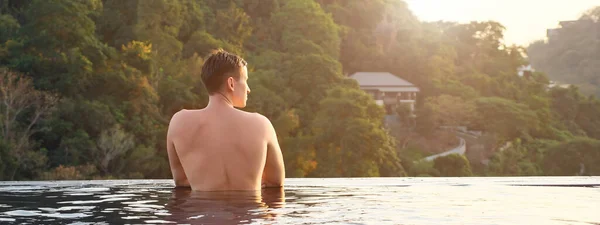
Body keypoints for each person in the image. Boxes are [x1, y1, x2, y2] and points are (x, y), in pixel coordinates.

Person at [166, 49, 285, 191]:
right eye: (245, 80)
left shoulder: (179, 122)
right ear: (231, 83)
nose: (248, 89)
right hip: (249, 211)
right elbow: (275, 181)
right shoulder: (261, 124)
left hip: (202, 212)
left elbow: (181, 180)